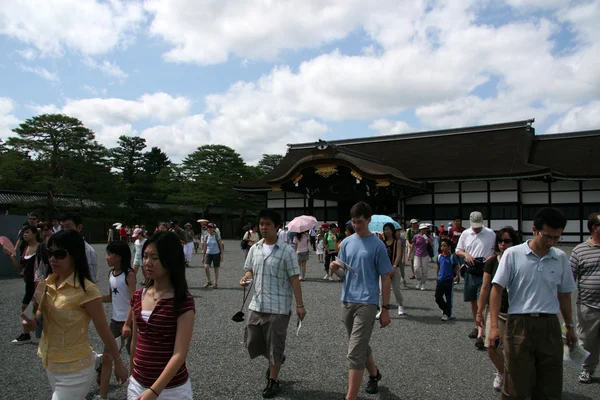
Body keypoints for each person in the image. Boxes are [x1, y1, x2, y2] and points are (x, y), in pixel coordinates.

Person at [25, 229, 128, 399]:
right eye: (49, 253)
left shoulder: (87, 290)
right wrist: (31, 322)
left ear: (74, 255)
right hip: (50, 363)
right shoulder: (47, 283)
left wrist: (118, 362)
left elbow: (103, 330)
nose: (52, 258)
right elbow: (38, 315)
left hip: (75, 369)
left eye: (59, 254)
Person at [489, 207, 577, 399]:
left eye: (557, 237)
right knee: (517, 385)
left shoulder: (560, 257)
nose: (551, 242)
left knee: (550, 384)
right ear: (535, 229)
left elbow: (564, 295)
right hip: (519, 324)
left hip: (550, 325)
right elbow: (496, 290)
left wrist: (569, 326)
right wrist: (494, 326)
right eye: (547, 236)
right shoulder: (513, 254)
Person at [240, 209, 306, 399]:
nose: (264, 227)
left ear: (277, 227)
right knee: (251, 340)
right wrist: (245, 278)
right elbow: (250, 271)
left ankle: (273, 379)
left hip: (278, 306)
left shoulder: (287, 251)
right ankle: (277, 358)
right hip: (257, 304)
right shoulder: (255, 249)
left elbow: (294, 279)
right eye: (261, 224)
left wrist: (300, 306)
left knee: (274, 344)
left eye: (268, 224)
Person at [330, 202, 392, 400]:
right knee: (359, 343)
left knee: (355, 350)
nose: (356, 225)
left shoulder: (378, 245)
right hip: (347, 300)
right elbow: (343, 274)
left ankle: (351, 397)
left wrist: (385, 308)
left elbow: (386, 277)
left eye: (360, 222)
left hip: (367, 302)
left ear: (369, 220)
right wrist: (334, 270)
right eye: (354, 222)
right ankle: (374, 374)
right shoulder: (347, 243)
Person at [129, 231, 195, 399]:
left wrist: (154, 391)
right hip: (137, 384)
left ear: (170, 260)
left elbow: (179, 354)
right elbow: (135, 341)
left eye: (155, 258)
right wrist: (132, 376)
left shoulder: (182, 301)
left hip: (171, 390)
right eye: (144, 256)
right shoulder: (138, 296)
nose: (147, 263)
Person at [475, 227, 520, 391]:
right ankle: (501, 372)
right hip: (496, 310)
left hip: (518, 312)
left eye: (507, 241)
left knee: (516, 349)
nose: (503, 244)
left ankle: (515, 376)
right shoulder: (492, 262)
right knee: (491, 346)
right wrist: (479, 312)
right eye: (500, 241)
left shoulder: (521, 260)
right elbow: (485, 288)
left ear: (514, 242)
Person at [98, 241, 136, 400]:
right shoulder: (111, 274)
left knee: (134, 357)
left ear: (119, 256)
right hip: (115, 322)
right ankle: (102, 396)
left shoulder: (129, 274)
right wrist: (92, 300)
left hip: (131, 322)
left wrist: (127, 324)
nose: (106, 258)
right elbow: (111, 297)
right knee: (107, 357)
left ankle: (136, 392)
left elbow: (134, 301)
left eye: (109, 254)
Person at [455, 211, 495, 348]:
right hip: (471, 271)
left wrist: (492, 257)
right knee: (473, 301)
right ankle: (477, 326)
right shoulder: (466, 234)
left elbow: (497, 250)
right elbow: (458, 250)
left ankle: (480, 335)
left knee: (481, 301)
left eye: (479, 226)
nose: (477, 228)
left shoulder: (490, 233)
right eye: (475, 226)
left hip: (485, 271)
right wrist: (466, 255)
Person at [570, 212, 600, 384]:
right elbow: (569, 278)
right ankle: (586, 370)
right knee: (586, 342)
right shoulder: (579, 250)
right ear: (595, 228)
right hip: (588, 306)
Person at [3, 223, 40, 344]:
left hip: (39, 283)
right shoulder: (25, 250)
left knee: (38, 308)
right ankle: (26, 333)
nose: (25, 234)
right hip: (29, 283)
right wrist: (10, 256)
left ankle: (36, 333)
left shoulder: (41, 248)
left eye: (28, 232)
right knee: (26, 307)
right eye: (24, 233)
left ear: (35, 233)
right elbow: (20, 267)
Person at [60, 212, 98, 283]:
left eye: (68, 227)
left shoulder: (88, 251)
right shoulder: (58, 247)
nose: (64, 230)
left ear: (79, 227)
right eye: (62, 227)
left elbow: (91, 278)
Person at [377, 222, 405, 317]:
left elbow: (398, 255)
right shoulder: (382, 243)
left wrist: (394, 266)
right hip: (384, 269)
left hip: (394, 268)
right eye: (385, 229)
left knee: (396, 289)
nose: (386, 231)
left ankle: (400, 305)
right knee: (381, 290)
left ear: (392, 230)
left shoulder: (398, 242)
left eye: (388, 229)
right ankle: (382, 309)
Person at [435, 238, 460, 321]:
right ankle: (445, 309)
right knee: (437, 297)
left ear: (449, 247)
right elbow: (438, 266)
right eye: (441, 246)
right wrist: (437, 275)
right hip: (440, 279)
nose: (443, 247)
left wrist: (457, 275)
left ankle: (447, 314)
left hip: (449, 280)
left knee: (449, 297)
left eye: (444, 246)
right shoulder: (439, 256)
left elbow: (457, 266)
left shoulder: (452, 257)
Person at [412, 223, 433, 291]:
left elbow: (432, 245)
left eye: (425, 229)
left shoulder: (428, 236)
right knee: (416, 268)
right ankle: (419, 280)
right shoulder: (416, 236)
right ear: (420, 229)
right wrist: (410, 253)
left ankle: (423, 283)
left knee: (425, 270)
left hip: (425, 255)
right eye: (423, 229)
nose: (424, 230)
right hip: (417, 254)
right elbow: (413, 244)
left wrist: (429, 241)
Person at [202, 223, 224, 288]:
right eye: (208, 228)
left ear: (214, 229)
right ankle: (209, 281)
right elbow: (205, 246)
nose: (209, 229)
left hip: (216, 253)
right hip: (208, 253)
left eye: (210, 228)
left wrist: (222, 255)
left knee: (216, 268)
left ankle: (215, 283)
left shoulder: (217, 236)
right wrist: (203, 256)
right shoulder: (206, 236)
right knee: (206, 266)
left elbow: (221, 246)